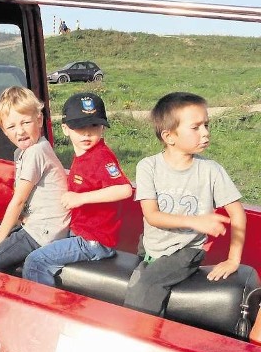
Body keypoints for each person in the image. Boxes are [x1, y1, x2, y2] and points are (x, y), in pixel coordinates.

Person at [124, 92, 246, 316]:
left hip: (186, 250)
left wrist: (233, 259)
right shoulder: (147, 166)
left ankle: (138, 338)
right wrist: (196, 221)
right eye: (196, 127)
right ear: (169, 136)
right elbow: (152, 215)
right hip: (151, 247)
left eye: (206, 125)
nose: (206, 133)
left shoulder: (211, 170)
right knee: (138, 277)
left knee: (146, 286)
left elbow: (237, 213)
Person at [22, 92, 133, 285]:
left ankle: (44, 311)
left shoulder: (101, 157)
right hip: (82, 234)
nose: (87, 133)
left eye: (94, 126)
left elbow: (124, 189)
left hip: (94, 241)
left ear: (102, 128)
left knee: (36, 261)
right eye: (79, 127)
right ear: (65, 129)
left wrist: (80, 198)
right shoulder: (84, 155)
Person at [0, 87, 69, 273]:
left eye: (26, 122)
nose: (20, 131)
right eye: (11, 127)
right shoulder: (25, 151)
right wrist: (3, 238)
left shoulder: (35, 152)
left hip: (43, 231)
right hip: (40, 226)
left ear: (39, 120)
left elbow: (18, 201)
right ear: (4, 130)